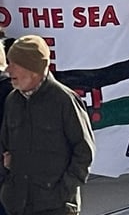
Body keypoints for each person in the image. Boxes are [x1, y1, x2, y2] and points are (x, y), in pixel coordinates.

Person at [0, 35, 95, 215]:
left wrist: (62, 191)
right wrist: (5, 185)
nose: (8, 69)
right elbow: (3, 146)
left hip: (55, 207)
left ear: (33, 69)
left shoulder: (64, 100)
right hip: (18, 204)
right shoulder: (13, 101)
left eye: (14, 64)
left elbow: (84, 151)